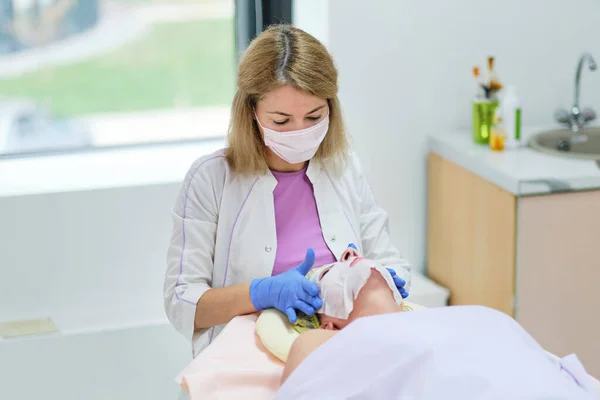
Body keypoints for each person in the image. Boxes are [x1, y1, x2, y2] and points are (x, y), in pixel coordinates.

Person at [163, 24, 411, 357]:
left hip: (349, 356)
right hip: (248, 363)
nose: (300, 132)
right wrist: (259, 293)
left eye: (314, 116)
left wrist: (381, 283)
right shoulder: (211, 180)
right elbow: (182, 302)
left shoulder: (344, 167)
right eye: (281, 121)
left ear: (331, 108)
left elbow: (388, 258)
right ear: (251, 113)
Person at [278, 288, 597, 399]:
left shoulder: (454, 319)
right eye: (339, 271)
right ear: (331, 325)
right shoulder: (330, 344)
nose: (352, 253)